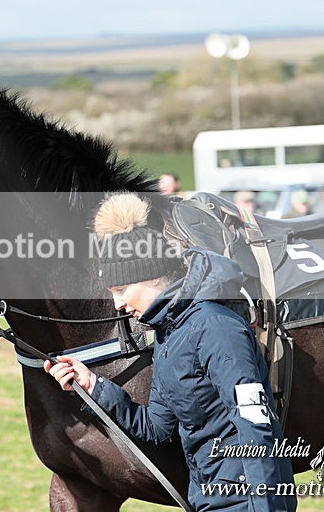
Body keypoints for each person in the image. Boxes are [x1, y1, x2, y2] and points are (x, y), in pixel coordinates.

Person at [44, 193, 296, 512]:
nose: (118, 305)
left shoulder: (215, 328)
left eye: (121, 290)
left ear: (149, 275)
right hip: (209, 502)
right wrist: (93, 386)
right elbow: (156, 429)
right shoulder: (167, 337)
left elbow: (256, 423)